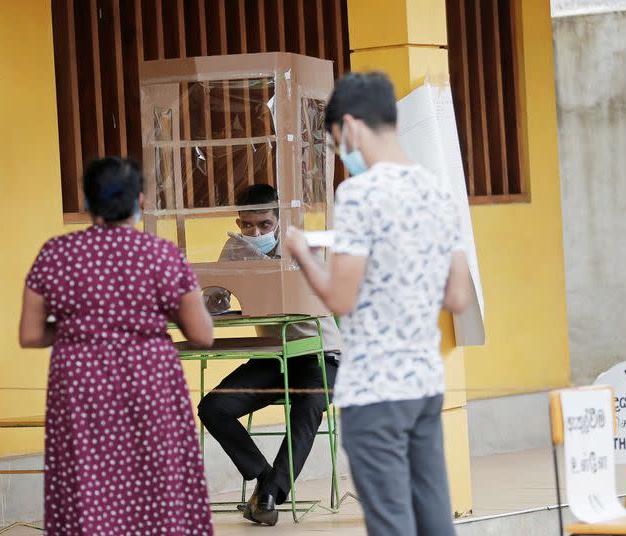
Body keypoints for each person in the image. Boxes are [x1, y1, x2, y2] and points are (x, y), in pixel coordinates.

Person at [284, 72, 473, 536]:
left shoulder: (359, 195)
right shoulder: (438, 191)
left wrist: (303, 255)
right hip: (425, 384)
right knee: (434, 521)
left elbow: (339, 299)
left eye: (334, 143)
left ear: (349, 127)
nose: (341, 155)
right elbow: (459, 297)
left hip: (375, 392)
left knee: (391, 524)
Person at [19, 157, 215, 535]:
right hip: (150, 380)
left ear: (87, 202)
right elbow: (201, 335)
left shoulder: (56, 254)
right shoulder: (161, 255)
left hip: (80, 384)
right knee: (158, 475)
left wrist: (83, 331)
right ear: (139, 200)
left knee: (87, 474)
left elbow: (30, 334)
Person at [197, 184, 343, 527]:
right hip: (275, 357)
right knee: (213, 407)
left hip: (319, 354)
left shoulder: (303, 247)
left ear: (280, 219)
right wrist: (213, 298)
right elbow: (216, 297)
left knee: (307, 407)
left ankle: (270, 496)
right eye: (248, 225)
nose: (256, 232)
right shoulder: (235, 249)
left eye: (264, 224)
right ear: (239, 221)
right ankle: (266, 482)